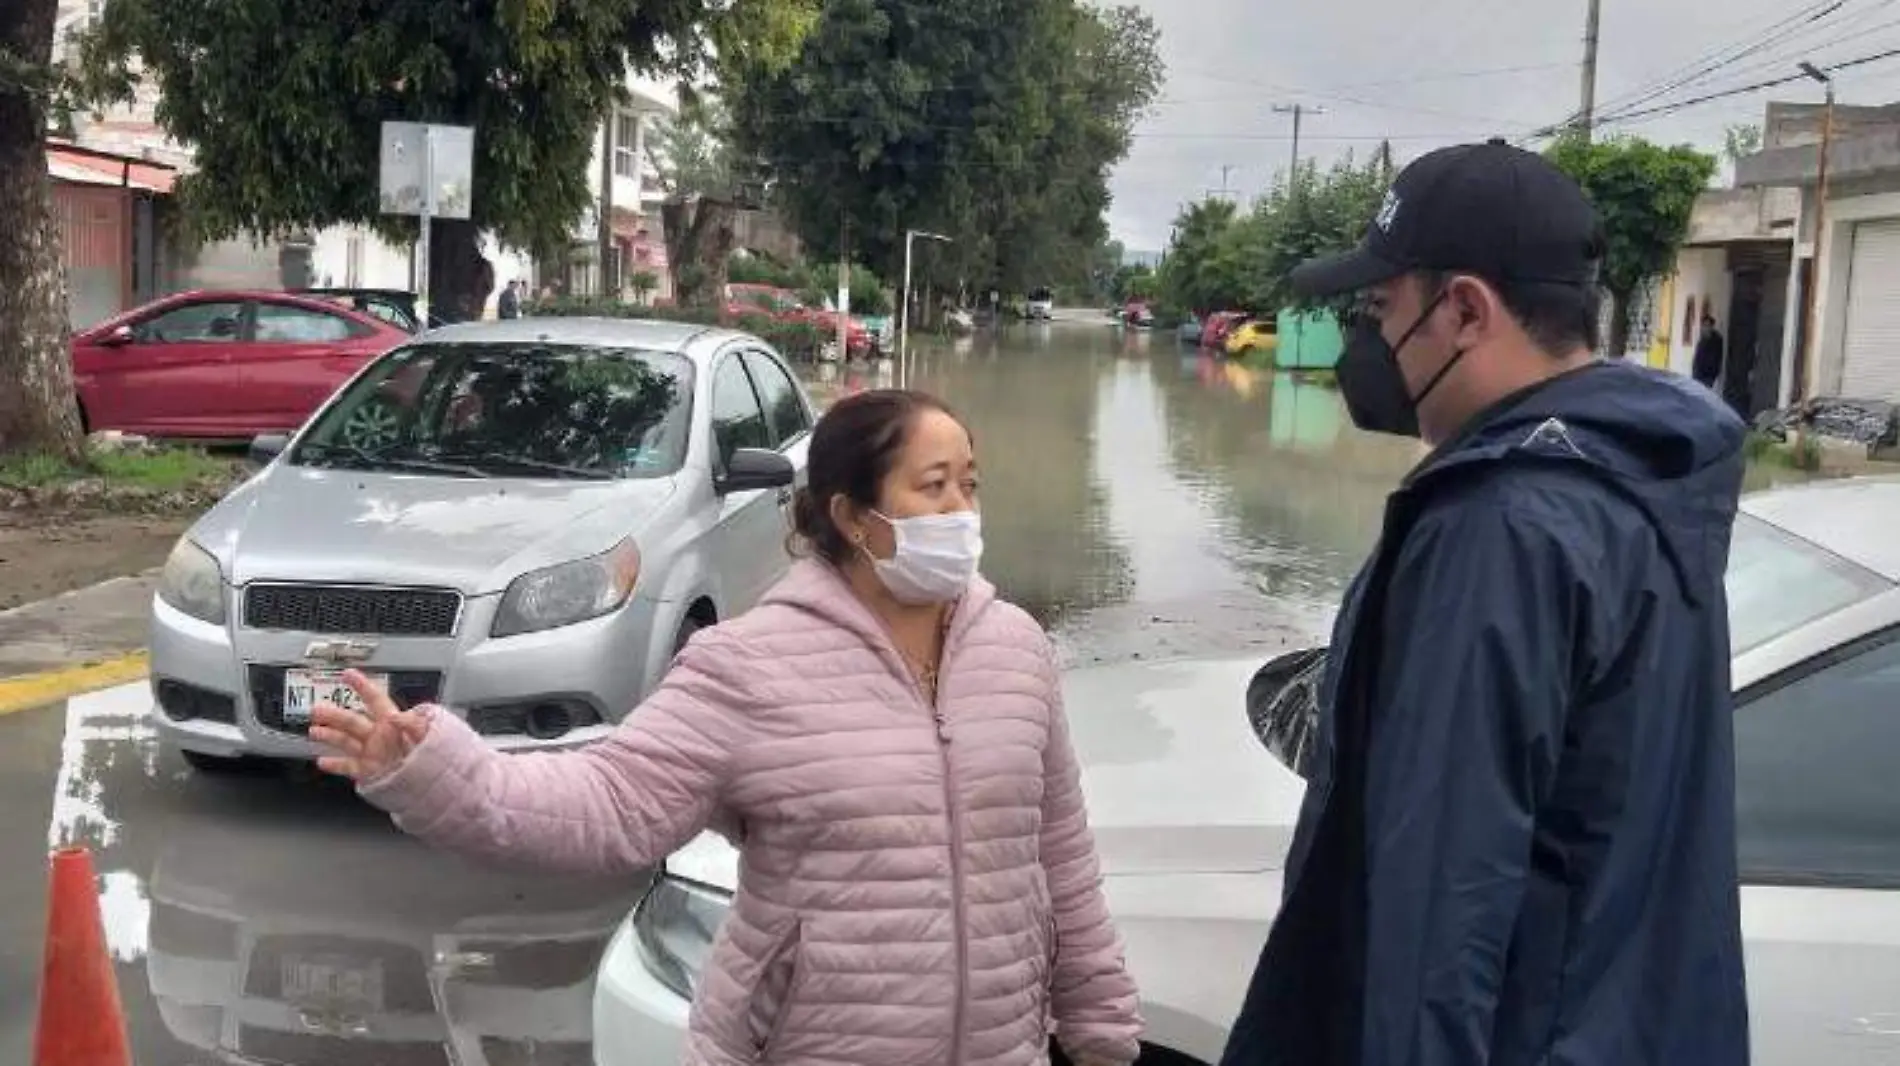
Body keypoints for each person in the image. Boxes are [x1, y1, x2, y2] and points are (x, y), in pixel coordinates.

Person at [311, 389, 1143, 1066]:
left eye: (971, 482)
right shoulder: (749, 664)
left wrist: (1100, 1027)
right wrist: (438, 771)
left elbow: (1060, 853)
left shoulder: (1016, 650)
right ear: (854, 517)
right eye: (934, 488)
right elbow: (607, 805)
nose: (962, 510)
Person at [1220, 141, 1749, 1066]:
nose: (1371, 339)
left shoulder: (1502, 526)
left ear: (1464, 310)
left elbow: (1442, 907)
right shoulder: (1643, 482)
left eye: (1383, 308)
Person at [1693, 311, 1726, 389]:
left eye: (1708, 325)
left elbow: (1717, 357)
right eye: (1704, 325)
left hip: (1708, 374)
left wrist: (1715, 372)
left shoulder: (1717, 340)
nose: (1705, 327)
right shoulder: (1702, 338)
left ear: (1711, 326)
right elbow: (1698, 355)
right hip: (1699, 372)